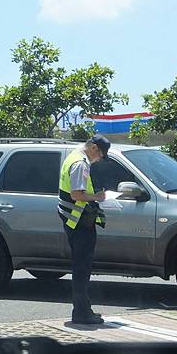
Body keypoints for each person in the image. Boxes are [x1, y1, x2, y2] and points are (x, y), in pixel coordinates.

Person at [58, 135, 109, 325]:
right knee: (82, 269)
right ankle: (81, 313)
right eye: (101, 155)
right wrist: (98, 197)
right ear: (94, 148)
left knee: (81, 268)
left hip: (75, 221)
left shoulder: (73, 156)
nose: (100, 160)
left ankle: (83, 309)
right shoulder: (81, 163)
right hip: (79, 222)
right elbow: (76, 194)